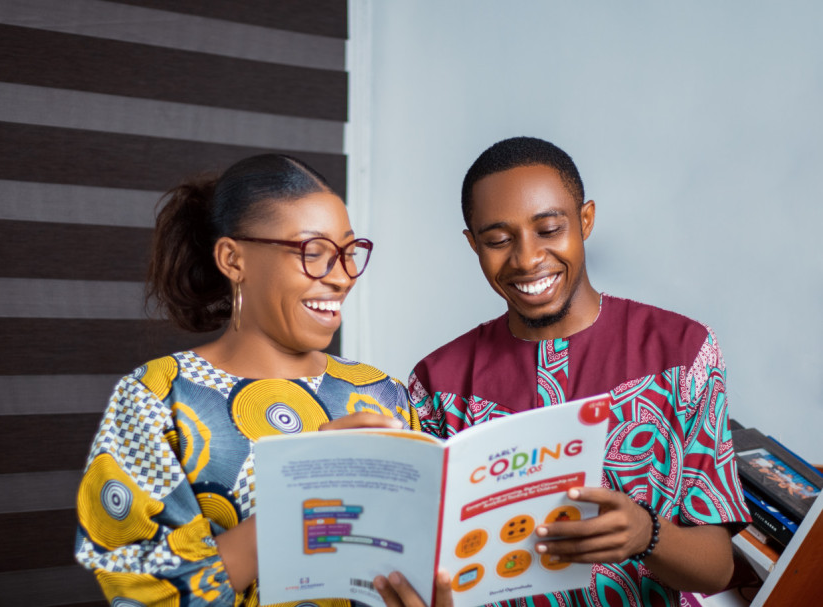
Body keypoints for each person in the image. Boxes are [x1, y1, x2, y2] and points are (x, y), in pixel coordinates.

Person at [74, 154, 452, 607]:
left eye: (348, 254)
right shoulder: (155, 400)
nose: (342, 277)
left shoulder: (380, 393)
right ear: (233, 259)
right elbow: (140, 592)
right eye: (314, 253)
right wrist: (301, 502)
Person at [408, 137, 751, 606]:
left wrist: (646, 535)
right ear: (473, 244)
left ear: (585, 221)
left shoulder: (684, 352)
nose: (527, 259)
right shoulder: (437, 383)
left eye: (548, 228)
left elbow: (716, 569)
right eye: (498, 240)